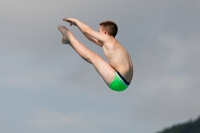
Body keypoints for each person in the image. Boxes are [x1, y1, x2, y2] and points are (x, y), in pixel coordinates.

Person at [58, 18, 133, 91]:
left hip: (118, 80)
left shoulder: (107, 39)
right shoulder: (113, 44)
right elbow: (91, 38)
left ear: (104, 32)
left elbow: (86, 30)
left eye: (98, 31)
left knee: (92, 56)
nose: (97, 33)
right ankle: (69, 41)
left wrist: (76, 21)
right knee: (93, 57)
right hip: (125, 82)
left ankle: (69, 36)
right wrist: (77, 25)